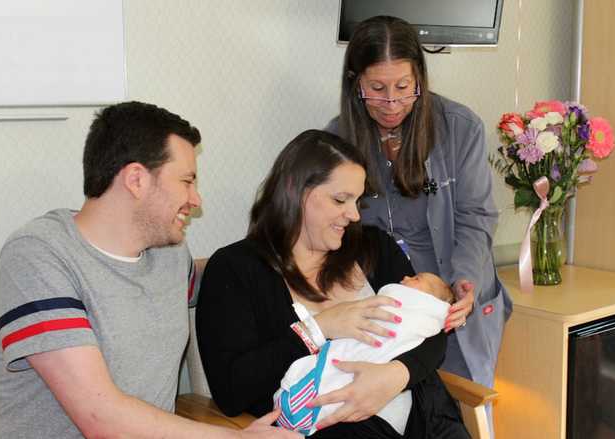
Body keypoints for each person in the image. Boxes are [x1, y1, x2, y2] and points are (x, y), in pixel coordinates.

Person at [0, 101, 299, 439]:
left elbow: (229, 281)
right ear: (136, 179)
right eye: (187, 181)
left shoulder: (171, 256)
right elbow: (100, 418)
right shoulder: (38, 257)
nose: (196, 200)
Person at [196, 130, 470, 439]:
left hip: (427, 417)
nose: (354, 215)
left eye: (357, 200)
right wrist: (318, 329)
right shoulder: (235, 270)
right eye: (340, 199)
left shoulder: (374, 248)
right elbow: (232, 392)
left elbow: (430, 330)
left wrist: (395, 376)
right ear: (294, 189)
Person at [325, 15, 512, 405]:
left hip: (453, 300)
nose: (391, 103)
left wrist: (464, 281)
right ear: (355, 82)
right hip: (385, 313)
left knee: (460, 410)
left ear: (420, 81)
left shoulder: (459, 127)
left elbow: (476, 217)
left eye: (403, 87)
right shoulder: (337, 139)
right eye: (377, 88)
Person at [274, 273, 454, 436]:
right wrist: (317, 327)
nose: (405, 277)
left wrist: (399, 373)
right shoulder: (255, 271)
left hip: (423, 416)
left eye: (416, 279)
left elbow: (436, 337)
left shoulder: (379, 248)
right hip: (346, 424)